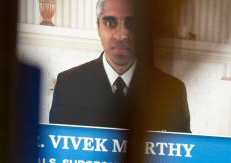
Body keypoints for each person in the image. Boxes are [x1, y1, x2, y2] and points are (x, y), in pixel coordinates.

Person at [48, 0, 191, 133]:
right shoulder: (68, 84)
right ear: (98, 27)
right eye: (110, 23)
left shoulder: (173, 92)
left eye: (132, 24)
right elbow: (57, 152)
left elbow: (183, 156)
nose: (121, 35)